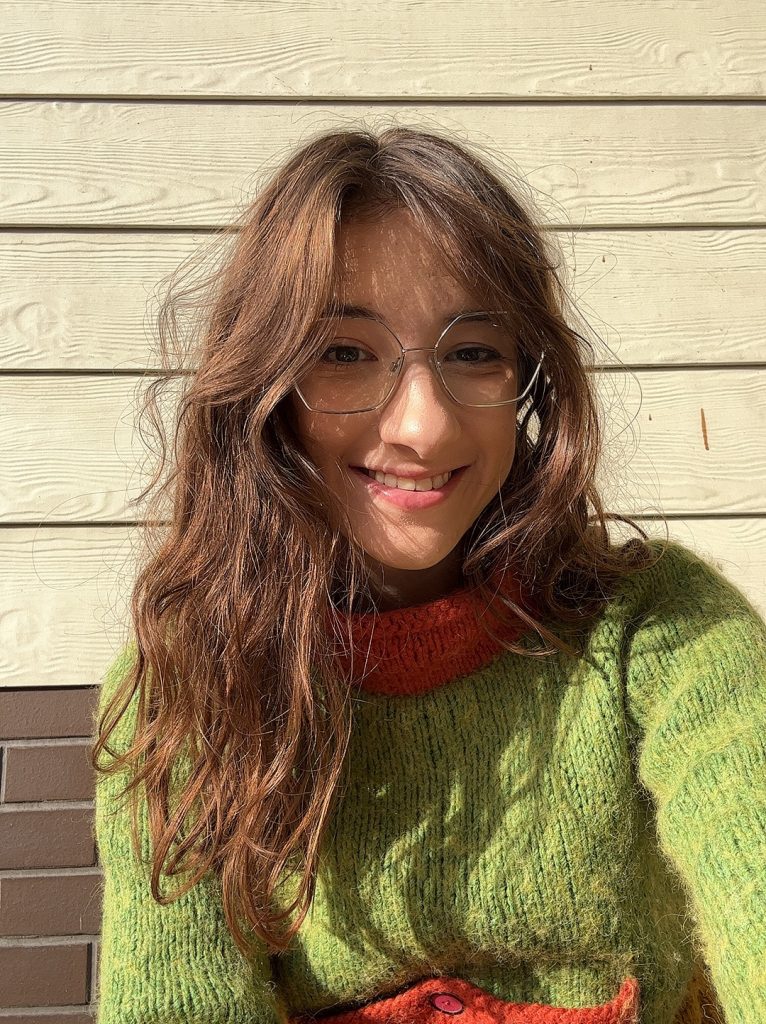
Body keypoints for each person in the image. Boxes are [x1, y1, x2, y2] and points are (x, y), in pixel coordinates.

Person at [91, 126, 766, 1024]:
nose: (424, 425)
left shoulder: (660, 634)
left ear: (528, 378)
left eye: (473, 352)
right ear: (264, 391)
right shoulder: (182, 693)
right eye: (344, 353)